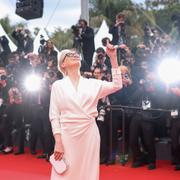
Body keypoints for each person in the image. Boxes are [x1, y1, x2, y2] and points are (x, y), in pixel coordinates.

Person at [49, 41, 122, 180]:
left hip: (89, 134)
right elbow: (54, 115)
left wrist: (113, 57)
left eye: (75, 54)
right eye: (69, 55)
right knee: (64, 173)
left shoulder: (92, 84)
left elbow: (117, 85)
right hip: (66, 135)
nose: (74, 55)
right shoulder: (58, 86)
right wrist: (58, 141)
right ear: (62, 64)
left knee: (88, 173)